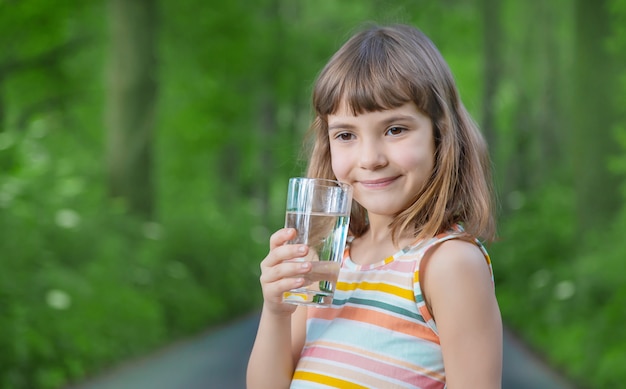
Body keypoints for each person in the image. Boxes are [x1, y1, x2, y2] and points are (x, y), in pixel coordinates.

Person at [247, 23, 502, 389]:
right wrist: (276, 312)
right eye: (346, 135)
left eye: (395, 129)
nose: (370, 158)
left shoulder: (448, 265)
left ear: (439, 134)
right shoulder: (330, 262)